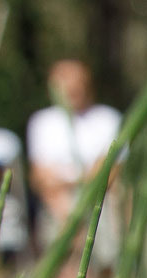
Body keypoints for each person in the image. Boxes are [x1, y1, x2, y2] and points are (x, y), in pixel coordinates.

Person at [25, 59, 122, 252]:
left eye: (76, 83)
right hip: (56, 205)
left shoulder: (108, 120)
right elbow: (40, 177)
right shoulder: (42, 123)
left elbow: (110, 173)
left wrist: (67, 179)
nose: (71, 89)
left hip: (101, 205)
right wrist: (69, 210)